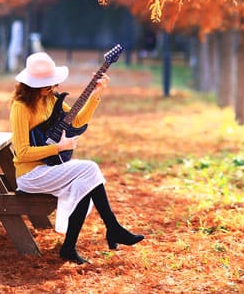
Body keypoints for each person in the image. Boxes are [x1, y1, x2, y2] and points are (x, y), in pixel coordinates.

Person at [9, 52, 144, 264]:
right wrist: (59, 148)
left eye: (53, 83)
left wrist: (96, 94)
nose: (51, 88)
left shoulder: (52, 99)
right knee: (89, 169)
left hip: (51, 169)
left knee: (86, 184)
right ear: (30, 85)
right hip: (31, 175)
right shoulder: (21, 107)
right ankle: (113, 228)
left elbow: (78, 120)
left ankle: (69, 248)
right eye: (46, 84)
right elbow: (22, 151)